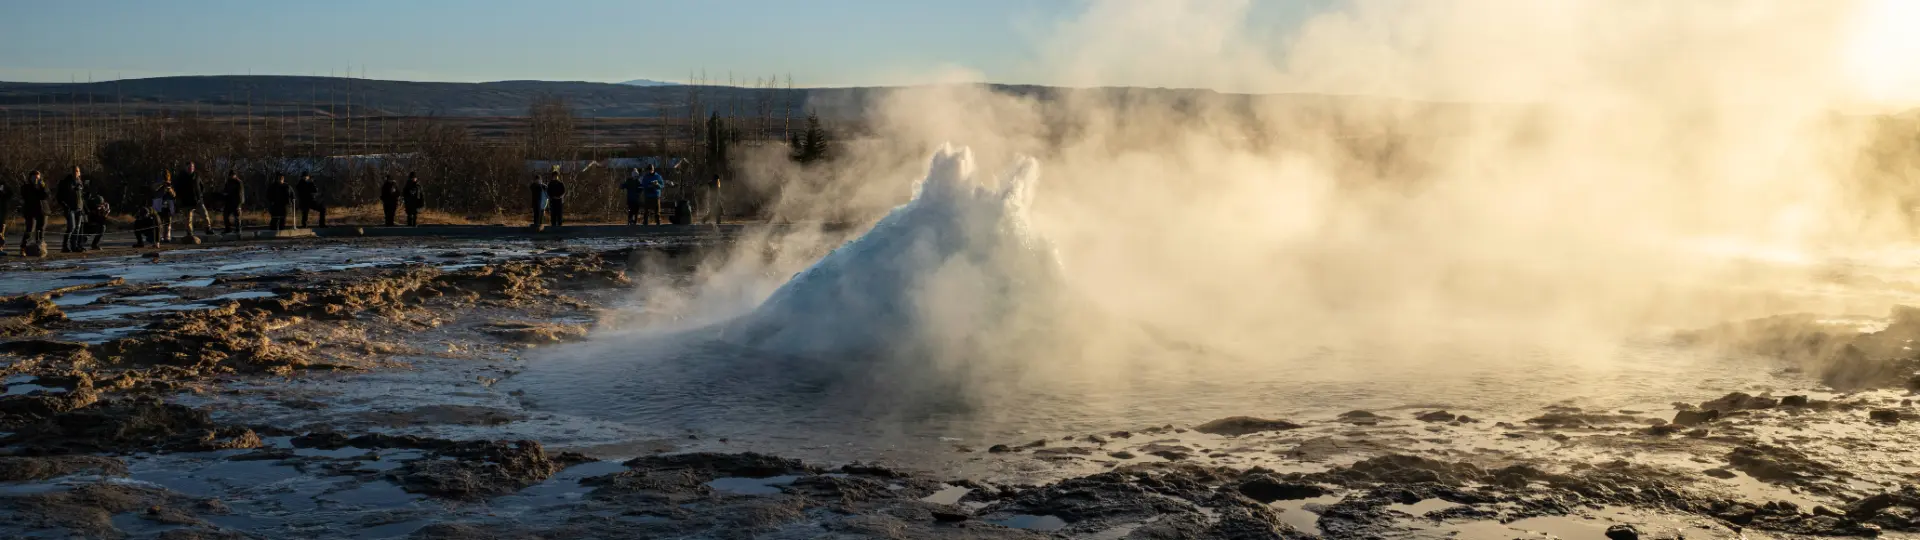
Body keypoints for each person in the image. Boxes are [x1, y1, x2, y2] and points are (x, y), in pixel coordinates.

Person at [54, 166, 86, 252]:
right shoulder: (65, 182)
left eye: (77, 171)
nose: (75, 173)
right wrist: (65, 206)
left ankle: (74, 246)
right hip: (70, 208)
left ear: (79, 172)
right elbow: (59, 196)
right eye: (74, 171)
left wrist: (83, 207)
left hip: (79, 208)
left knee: (77, 228)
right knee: (71, 227)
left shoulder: (80, 182)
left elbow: (81, 196)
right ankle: (65, 246)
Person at [177, 161, 212, 236]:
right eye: (189, 167)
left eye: (192, 167)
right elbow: (177, 189)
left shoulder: (197, 175)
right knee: (188, 219)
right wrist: (180, 199)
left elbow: (201, 186)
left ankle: (208, 229)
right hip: (186, 202)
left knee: (205, 215)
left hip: (198, 200)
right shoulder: (181, 177)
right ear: (186, 168)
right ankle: (189, 233)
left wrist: (200, 195)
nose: (191, 169)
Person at [19, 171, 48, 252]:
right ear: (30, 178)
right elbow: (26, 196)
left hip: (42, 210)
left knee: (41, 230)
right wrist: (34, 187)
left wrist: (42, 187)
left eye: (37, 177)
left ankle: (39, 248)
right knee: (30, 229)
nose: (36, 179)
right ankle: (23, 247)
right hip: (30, 210)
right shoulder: (26, 187)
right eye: (34, 177)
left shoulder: (43, 186)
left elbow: (45, 196)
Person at [151, 172, 177, 243]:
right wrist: (162, 184)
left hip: (168, 204)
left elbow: (174, 195)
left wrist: (170, 189)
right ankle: (160, 236)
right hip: (159, 204)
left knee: (168, 221)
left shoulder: (170, 184)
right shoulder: (157, 183)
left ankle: (167, 236)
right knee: (159, 221)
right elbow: (154, 189)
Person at [0, 174, 12, 244]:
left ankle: (0, 248)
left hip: (2, 210)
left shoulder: (3, 184)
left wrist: (3, 193)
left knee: (1, 229)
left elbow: (10, 194)